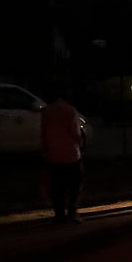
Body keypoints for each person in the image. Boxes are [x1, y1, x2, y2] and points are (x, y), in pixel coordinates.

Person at [40, 81, 84, 223]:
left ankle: (59, 213)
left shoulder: (46, 111)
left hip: (53, 155)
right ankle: (72, 212)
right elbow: (75, 133)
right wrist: (80, 145)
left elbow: (43, 132)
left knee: (57, 186)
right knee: (74, 185)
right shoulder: (70, 111)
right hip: (71, 154)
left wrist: (45, 149)